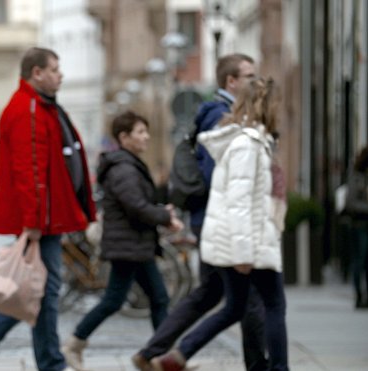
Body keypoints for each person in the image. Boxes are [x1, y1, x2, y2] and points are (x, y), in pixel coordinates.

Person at [0, 47, 96, 371]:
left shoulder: (41, 106)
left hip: (49, 217)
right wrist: (33, 221)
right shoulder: (29, 108)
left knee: (36, 290)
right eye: (54, 69)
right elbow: (29, 170)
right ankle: (48, 362)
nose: (60, 75)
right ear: (37, 73)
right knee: (42, 291)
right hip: (41, 220)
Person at [132, 53, 268, 371]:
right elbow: (214, 174)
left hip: (211, 219)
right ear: (230, 81)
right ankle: (256, 366)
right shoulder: (218, 115)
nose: (255, 80)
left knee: (210, 293)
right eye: (249, 76)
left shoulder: (222, 113)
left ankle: (152, 352)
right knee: (249, 300)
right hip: (217, 222)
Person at [61, 111, 184, 371]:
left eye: (146, 131)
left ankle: (159, 356)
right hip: (128, 246)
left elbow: (138, 205)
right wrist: (165, 217)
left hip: (134, 244)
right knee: (119, 300)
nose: (146, 137)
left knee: (157, 297)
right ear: (124, 137)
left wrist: (162, 214)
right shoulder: (124, 168)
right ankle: (75, 344)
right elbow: (137, 207)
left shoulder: (127, 164)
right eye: (140, 132)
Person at [344, 145, 368, 309]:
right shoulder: (357, 176)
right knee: (359, 261)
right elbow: (350, 203)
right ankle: (359, 296)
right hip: (360, 224)